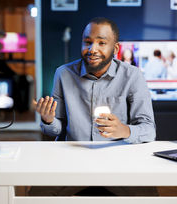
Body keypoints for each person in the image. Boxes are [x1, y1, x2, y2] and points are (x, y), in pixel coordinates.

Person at [30, 17, 156, 197]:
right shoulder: (64, 73)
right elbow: (56, 130)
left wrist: (124, 130)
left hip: (121, 163)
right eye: (87, 42)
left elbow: (149, 130)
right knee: (36, 196)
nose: (92, 49)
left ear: (115, 48)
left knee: (150, 198)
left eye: (101, 43)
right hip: (72, 161)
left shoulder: (133, 76)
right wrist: (48, 120)